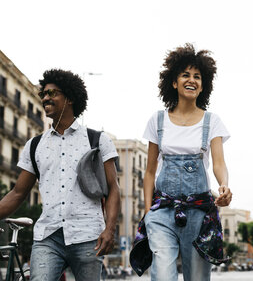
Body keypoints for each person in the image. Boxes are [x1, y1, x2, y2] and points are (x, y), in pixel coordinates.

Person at [0, 69, 120, 280]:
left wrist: (110, 230)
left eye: (53, 93)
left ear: (70, 98)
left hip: (88, 236)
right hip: (48, 237)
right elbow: (18, 193)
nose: (46, 97)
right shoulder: (35, 145)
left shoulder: (97, 140)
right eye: (44, 94)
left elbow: (113, 190)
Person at [141, 44, 232, 281]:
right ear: (174, 82)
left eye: (197, 77)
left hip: (199, 213)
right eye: (185, 75)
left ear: (204, 85)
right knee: (162, 275)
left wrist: (224, 185)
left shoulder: (212, 121)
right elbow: (150, 172)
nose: (191, 80)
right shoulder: (157, 120)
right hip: (162, 211)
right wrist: (147, 211)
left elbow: (218, 163)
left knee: (197, 278)